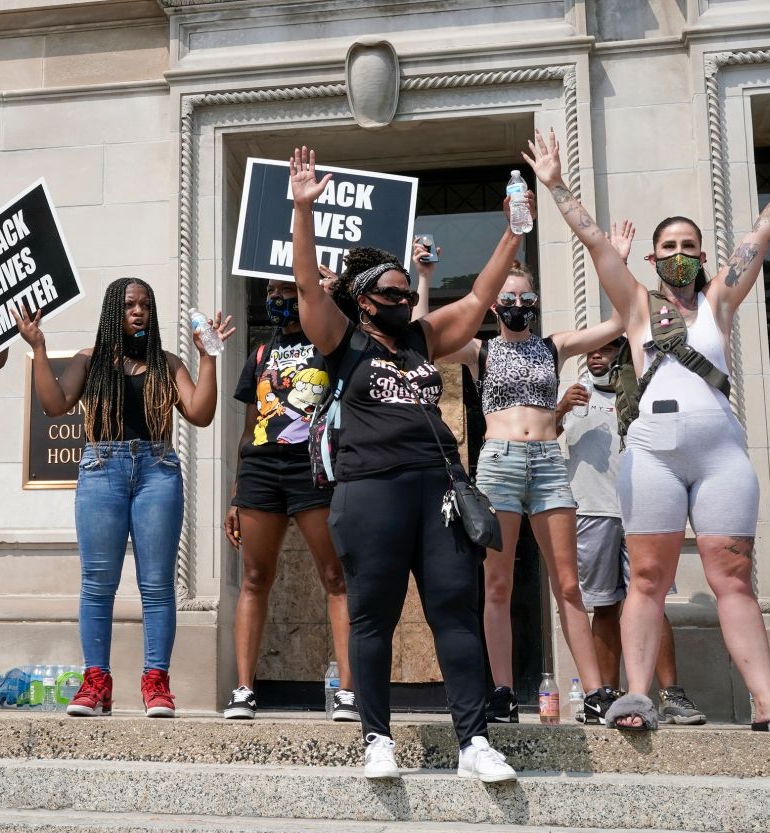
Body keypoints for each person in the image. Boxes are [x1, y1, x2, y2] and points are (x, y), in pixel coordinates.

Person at [527, 114, 770, 733]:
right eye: (668, 247)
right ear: (652, 256)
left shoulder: (719, 300)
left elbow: (762, 232)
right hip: (653, 458)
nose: (680, 254)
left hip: (721, 456)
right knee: (646, 579)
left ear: (703, 255)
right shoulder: (637, 308)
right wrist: (555, 186)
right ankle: (636, 699)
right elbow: (594, 242)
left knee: (734, 578)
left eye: (690, 246)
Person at [290, 146, 524, 781]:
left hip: (439, 488)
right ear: (366, 301)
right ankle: (376, 739)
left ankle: (474, 742)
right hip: (371, 491)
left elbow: (479, 297)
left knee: (454, 607)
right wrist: (303, 211)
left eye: (405, 290)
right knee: (375, 614)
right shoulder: (343, 340)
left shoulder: (423, 339)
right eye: (391, 291)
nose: (402, 299)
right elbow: (310, 286)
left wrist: (511, 232)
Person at [16, 279, 231, 719]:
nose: (138, 311)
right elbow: (54, 404)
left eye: (146, 305)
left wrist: (207, 357)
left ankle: (156, 682)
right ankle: (96, 681)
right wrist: (39, 348)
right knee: (98, 583)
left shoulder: (168, 364)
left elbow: (201, 413)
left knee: (156, 585)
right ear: (114, 310)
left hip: (158, 471)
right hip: (101, 469)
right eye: (130, 305)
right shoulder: (89, 361)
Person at [435, 242, 626, 724]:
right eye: (508, 298)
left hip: (546, 461)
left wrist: (614, 262)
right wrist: (424, 276)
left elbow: (621, 321)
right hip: (498, 461)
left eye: (526, 299)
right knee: (496, 585)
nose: (517, 307)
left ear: (536, 303)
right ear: (494, 303)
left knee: (568, 584)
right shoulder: (480, 349)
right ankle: (501, 691)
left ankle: (596, 692)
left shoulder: (552, 345)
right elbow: (423, 333)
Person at [221, 275, 353, 722]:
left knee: (335, 575)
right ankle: (243, 690)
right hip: (260, 469)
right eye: (272, 293)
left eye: (287, 291)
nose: (277, 299)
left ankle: (350, 691)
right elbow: (249, 422)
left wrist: (336, 290)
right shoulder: (260, 351)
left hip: (313, 466)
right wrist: (238, 492)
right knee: (255, 577)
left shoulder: (333, 341)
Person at [555, 335, 705, 724]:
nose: (596, 356)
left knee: (652, 603)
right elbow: (539, 433)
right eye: (591, 351)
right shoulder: (574, 393)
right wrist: (558, 410)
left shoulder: (645, 391)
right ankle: (606, 696)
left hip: (644, 511)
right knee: (603, 605)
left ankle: (673, 695)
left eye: (605, 350)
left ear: (621, 352)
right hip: (592, 510)